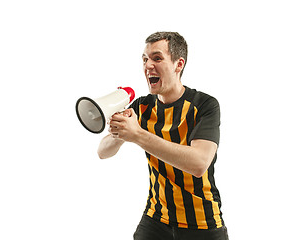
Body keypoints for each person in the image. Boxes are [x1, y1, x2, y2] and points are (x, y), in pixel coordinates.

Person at [97, 32, 228, 240]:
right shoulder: (142, 106)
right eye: (145, 59)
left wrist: (137, 134)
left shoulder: (204, 105)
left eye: (157, 58)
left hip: (202, 223)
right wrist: (120, 132)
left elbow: (198, 163)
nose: (148, 66)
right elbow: (102, 152)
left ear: (179, 64)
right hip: (156, 218)